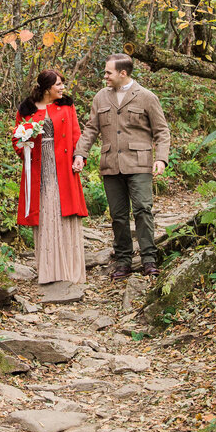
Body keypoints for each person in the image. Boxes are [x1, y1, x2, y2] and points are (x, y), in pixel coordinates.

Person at [72, 54, 170, 279]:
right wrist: (80, 154)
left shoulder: (146, 97)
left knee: (143, 211)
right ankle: (123, 260)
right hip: (111, 166)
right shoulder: (100, 97)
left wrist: (161, 158)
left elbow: (162, 131)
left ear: (122, 73)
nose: (104, 76)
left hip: (139, 163)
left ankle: (149, 259)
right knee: (118, 215)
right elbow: (91, 129)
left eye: (108, 72)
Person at [14, 70, 89, 288]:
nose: (62, 88)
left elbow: (76, 134)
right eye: (58, 84)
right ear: (47, 88)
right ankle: (48, 271)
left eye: (62, 84)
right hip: (39, 169)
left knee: (65, 212)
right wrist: (25, 143)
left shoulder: (67, 105)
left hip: (64, 168)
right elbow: (17, 138)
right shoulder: (26, 108)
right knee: (45, 213)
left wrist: (80, 157)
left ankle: (70, 271)